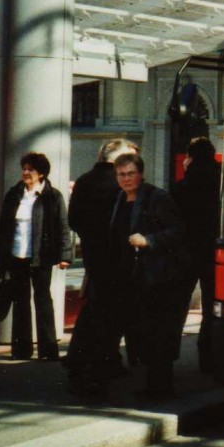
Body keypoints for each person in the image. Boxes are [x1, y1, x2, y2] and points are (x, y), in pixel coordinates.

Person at [65, 138, 139, 397]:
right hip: (120, 258)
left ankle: (83, 360)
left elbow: (73, 219)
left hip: (93, 256)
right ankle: (95, 366)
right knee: (111, 314)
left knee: (95, 307)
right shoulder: (124, 184)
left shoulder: (84, 181)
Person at [112, 152, 185, 399]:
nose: (126, 179)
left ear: (141, 174)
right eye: (121, 174)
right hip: (130, 276)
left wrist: (149, 241)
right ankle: (153, 384)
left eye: (131, 173)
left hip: (156, 277)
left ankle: (160, 387)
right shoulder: (120, 199)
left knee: (158, 333)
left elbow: (177, 231)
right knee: (140, 332)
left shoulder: (157, 197)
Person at [0, 152, 71, 361]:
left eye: (31, 170)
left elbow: (62, 226)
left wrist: (65, 255)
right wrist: (0, 257)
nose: (26, 173)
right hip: (16, 255)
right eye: (24, 168)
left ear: (42, 174)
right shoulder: (14, 194)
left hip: (41, 256)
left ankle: (48, 350)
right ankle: (21, 349)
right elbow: (3, 228)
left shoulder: (53, 197)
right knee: (20, 301)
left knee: (43, 300)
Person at [170, 137, 221, 374]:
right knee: (211, 306)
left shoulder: (181, 186)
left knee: (177, 305)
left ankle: (167, 357)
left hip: (186, 252)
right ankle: (208, 357)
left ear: (190, 157)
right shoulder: (222, 181)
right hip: (214, 252)